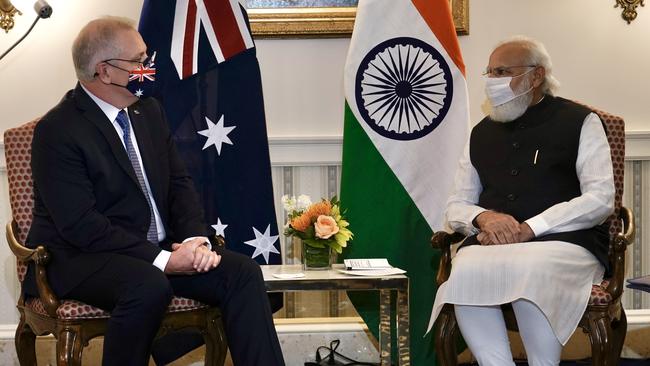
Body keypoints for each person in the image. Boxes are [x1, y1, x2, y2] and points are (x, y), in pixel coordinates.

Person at [25, 17, 285, 366]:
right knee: (148, 284)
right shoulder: (58, 131)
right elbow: (81, 225)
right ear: (104, 71)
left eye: (147, 59)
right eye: (139, 62)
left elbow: (179, 185)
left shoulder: (148, 111)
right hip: (81, 257)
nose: (149, 69)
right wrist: (163, 260)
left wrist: (195, 240)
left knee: (242, 273)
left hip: (153, 252)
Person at [428, 36, 615, 366]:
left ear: (537, 75)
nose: (493, 81)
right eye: (490, 73)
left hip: (567, 242)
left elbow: (600, 199)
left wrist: (532, 227)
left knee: (530, 269)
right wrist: (483, 219)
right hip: (495, 243)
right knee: (466, 269)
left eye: (503, 71)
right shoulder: (481, 132)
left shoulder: (581, 122)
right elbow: (457, 203)